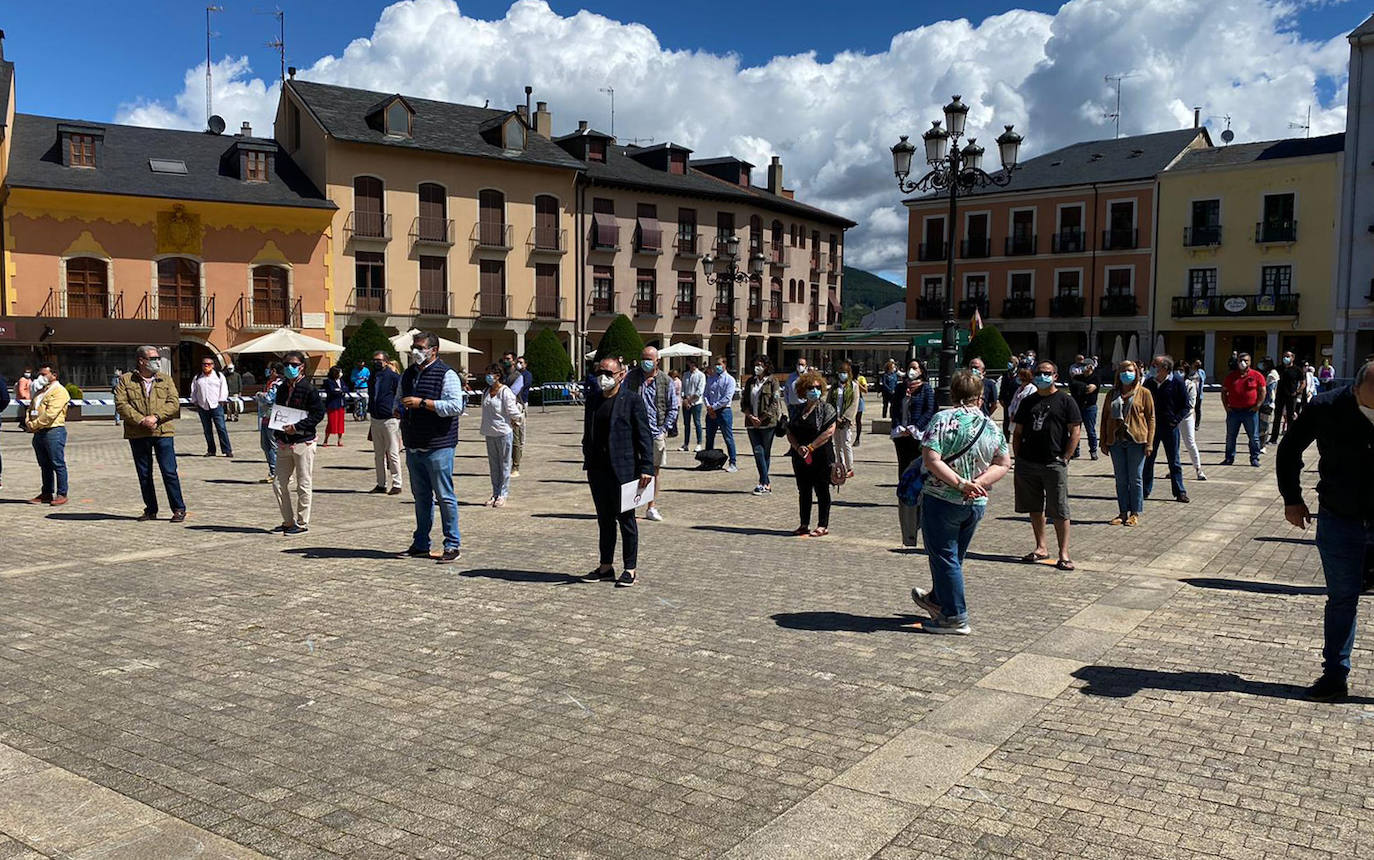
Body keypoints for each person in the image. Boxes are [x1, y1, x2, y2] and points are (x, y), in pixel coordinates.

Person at [1277, 357, 1374, 701]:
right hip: (1340, 517)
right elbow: (1289, 449)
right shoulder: (1327, 406)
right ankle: (1335, 675)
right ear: (1358, 386)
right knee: (1343, 598)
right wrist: (1292, 498)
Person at [908, 370, 1012, 635]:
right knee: (953, 557)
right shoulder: (991, 425)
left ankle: (955, 617)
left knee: (944, 557)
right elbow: (1003, 463)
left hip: (944, 499)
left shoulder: (943, 419)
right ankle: (938, 599)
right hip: (975, 503)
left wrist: (960, 483)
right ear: (980, 397)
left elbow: (932, 459)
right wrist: (980, 483)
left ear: (952, 394)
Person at [580, 357, 653, 587]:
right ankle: (605, 566)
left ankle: (630, 568)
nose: (603, 377)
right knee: (604, 520)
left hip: (624, 470)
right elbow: (588, 433)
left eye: (609, 373)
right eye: (600, 372)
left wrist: (646, 467)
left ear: (621, 375)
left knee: (627, 520)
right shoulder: (593, 400)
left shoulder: (632, 400)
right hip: (598, 470)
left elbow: (644, 436)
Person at [397, 332, 466, 564]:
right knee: (421, 497)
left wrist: (423, 404)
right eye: (413, 347)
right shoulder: (408, 374)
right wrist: (399, 408)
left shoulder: (447, 374)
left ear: (433, 350)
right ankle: (420, 543)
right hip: (414, 443)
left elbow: (455, 406)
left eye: (420, 347)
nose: (415, 351)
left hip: (438, 444)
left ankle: (452, 544)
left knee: (445, 496)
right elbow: (400, 397)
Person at [1012, 360, 1081, 570]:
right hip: (1029, 461)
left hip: (1054, 462)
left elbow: (1075, 430)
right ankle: (1041, 547)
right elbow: (1018, 432)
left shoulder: (1065, 401)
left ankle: (1064, 553)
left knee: (1059, 509)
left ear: (1055, 376)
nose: (1043, 376)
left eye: (1047, 373)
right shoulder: (1028, 401)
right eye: (1039, 373)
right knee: (1034, 507)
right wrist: (1019, 457)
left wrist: (1066, 457)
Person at [114, 346, 187, 522]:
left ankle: (178, 508)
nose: (157, 361)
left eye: (157, 358)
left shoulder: (165, 379)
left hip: (163, 431)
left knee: (169, 471)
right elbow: (121, 404)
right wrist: (141, 420)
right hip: (138, 432)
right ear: (142, 361)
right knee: (144, 473)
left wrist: (155, 417)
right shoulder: (125, 380)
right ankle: (151, 509)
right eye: (153, 358)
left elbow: (174, 403)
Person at [272, 350, 325, 535]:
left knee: (303, 483)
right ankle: (287, 520)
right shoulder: (282, 387)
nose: (289, 368)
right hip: (284, 441)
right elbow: (278, 410)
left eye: (293, 365)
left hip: (303, 441)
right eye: (286, 365)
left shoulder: (309, 388)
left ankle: (302, 523)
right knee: (278, 483)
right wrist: (277, 429)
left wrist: (298, 426)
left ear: (301, 367)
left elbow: (318, 414)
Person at [1099, 360, 1155, 527]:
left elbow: (1151, 419)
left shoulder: (1144, 393)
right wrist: (1103, 441)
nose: (1126, 373)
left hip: (1136, 441)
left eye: (1129, 370)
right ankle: (1122, 512)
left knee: (1136, 478)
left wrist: (1150, 443)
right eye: (1123, 370)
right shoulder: (1112, 394)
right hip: (1116, 441)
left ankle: (1135, 513)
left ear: (1136, 372)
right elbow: (1104, 418)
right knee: (1121, 479)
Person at [626, 346, 679, 521]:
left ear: (657, 361)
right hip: (634, 431)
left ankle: (651, 507)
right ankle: (630, 506)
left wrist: (664, 429)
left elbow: (673, 407)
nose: (646, 362)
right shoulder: (632, 377)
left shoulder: (665, 380)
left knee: (654, 471)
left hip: (656, 431)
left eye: (649, 359)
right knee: (633, 469)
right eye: (643, 358)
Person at [784, 370, 838, 537]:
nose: (813, 391)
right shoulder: (796, 410)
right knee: (804, 490)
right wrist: (798, 447)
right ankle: (804, 523)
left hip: (821, 455)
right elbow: (790, 431)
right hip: (800, 456)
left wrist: (811, 447)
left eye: (816, 387)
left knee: (822, 489)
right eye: (810, 388)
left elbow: (829, 431)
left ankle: (823, 525)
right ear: (803, 390)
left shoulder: (826, 409)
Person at [1142, 355, 1190, 504]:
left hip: (1170, 427)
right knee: (1148, 459)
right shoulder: (1149, 383)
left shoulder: (1177, 382)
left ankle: (1179, 491)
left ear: (1165, 368)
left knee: (1174, 460)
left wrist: (1175, 420)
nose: (1153, 367)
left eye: (1156, 365)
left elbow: (1186, 405)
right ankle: (1144, 490)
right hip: (1152, 428)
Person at [25, 361, 69, 506]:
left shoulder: (59, 391)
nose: (40, 377)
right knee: (45, 464)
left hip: (53, 431)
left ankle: (62, 493)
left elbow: (50, 414)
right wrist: (27, 421)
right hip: (39, 432)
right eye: (40, 374)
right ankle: (46, 493)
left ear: (54, 375)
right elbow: (31, 407)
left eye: (44, 374)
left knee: (57, 463)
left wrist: (34, 424)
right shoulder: (41, 390)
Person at [740, 355, 785, 495]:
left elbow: (774, 402)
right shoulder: (750, 382)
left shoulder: (773, 381)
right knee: (758, 451)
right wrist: (750, 416)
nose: (757, 367)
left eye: (760, 364)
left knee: (765, 453)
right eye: (755, 364)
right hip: (751, 422)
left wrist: (762, 417)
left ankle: (763, 483)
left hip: (767, 423)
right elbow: (744, 401)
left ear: (766, 366)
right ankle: (765, 482)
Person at [479, 362, 522, 508]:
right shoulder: (486, 391)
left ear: (497, 376)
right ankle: (495, 493)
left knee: (504, 464)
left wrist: (517, 420)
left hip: (503, 432)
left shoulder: (505, 392)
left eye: (490, 373)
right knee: (493, 466)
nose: (488, 377)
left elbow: (513, 411)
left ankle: (503, 494)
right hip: (489, 432)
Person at [890, 358, 937, 480]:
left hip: (918, 434)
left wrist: (915, 427)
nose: (911, 370)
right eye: (909, 368)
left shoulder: (926, 388)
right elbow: (894, 409)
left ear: (921, 371)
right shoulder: (901, 388)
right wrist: (898, 425)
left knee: (916, 466)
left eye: (915, 368)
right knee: (903, 465)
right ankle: (903, 495)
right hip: (901, 434)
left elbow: (930, 410)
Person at [1220, 352, 1265, 467]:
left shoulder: (1257, 375)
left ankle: (1254, 458)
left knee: (1254, 437)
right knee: (1231, 436)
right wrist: (1226, 406)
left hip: (1250, 411)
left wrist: (1258, 405)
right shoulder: (1231, 376)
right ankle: (1229, 458)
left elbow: (1262, 391)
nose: (1243, 363)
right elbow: (1224, 392)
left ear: (1250, 362)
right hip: (1233, 411)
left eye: (1246, 360)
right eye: (1240, 360)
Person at [367, 351, 403, 495]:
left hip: (389, 419)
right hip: (375, 418)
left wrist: (397, 410)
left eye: (379, 361)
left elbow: (400, 394)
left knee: (393, 452)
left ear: (386, 362)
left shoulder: (394, 377)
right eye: (374, 360)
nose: (376, 363)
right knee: (378, 454)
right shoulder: (373, 377)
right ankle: (381, 483)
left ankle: (397, 483)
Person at [190, 356, 233, 458]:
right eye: (204, 364)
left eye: (208, 364)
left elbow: (224, 389)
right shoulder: (197, 377)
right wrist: (194, 401)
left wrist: (221, 400)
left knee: (221, 428)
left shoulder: (219, 376)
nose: (206, 366)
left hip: (216, 405)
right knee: (207, 430)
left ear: (213, 366)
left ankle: (227, 450)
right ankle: (211, 450)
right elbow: (193, 390)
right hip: (202, 406)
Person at [704, 355, 739, 472]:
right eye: (716, 364)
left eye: (719, 364)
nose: (717, 366)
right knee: (709, 437)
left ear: (725, 365)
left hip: (724, 411)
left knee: (728, 438)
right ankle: (708, 461)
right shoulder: (711, 378)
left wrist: (713, 407)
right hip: (711, 411)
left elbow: (727, 398)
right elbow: (705, 394)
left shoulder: (730, 380)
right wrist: (709, 407)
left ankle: (733, 462)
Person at [828, 360, 859, 479]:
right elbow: (829, 401)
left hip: (846, 421)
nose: (842, 375)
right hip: (835, 419)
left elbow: (854, 404)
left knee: (846, 443)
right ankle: (840, 466)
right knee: (837, 444)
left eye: (844, 372)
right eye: (840, 372)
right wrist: (833, 417)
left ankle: (849, 467)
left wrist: (846, 418)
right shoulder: (835, 386)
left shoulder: (854, 386)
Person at [253, 362, 283, 484]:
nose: (267, 371)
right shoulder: (271, 383)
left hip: (273, 417)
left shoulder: (278, 384)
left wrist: (259, 395)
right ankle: (274, 471)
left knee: (272, 446)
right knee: (266, 445)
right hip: (266, 417)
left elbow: (269, 399)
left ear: (274, 371)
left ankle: (275, 472)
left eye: (269, 369)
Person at [1179, 362, 1207, 481]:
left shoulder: (1190, 385)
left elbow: (1191, 404)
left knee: (1190, 443)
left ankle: (1198, 469)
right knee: (1174, 445)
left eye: (1181, 370)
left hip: (1186, 417)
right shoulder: (1170, 384)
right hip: (1172, 418)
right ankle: (1174, 468)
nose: (1178, 373)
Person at [1067, 362, 1100, 460]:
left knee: (1090, 431)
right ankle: (1075, 451)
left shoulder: (1095, 377)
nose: (1082, 367)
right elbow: (1072, 387)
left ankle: (1093, 451)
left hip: (1090, 407)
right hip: (1077, 407)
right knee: (1075, 430)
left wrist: (1080, 388)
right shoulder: (1078, 377)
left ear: (1090, 367)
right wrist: (1083, 387)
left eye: (1085, 365)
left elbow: (1090, 389)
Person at [1270, 350, 1303, 443]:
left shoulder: (1297, 369)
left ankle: (1290, 438)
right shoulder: (1278, 369)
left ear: (1293, 357)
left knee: (1290, 417)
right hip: (1280, 396)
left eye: (1288, 356)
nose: (1286, 358)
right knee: (1277, 417)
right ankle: (1273, 438)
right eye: (1284, 356)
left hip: (1291, 396)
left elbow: (1303, 382)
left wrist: (1297, 391)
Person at [678, 358, 706, 452]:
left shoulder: (701, 375)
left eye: (692, 363)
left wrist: (689, 400)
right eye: (689, 363)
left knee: (697, 422)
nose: (690, 365)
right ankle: (686, 443)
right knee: (686, 424)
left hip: (696, 402)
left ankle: (699, 443)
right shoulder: (686, 374)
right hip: (686, 402)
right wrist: (684, 399)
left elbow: (699, 391)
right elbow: (683, 388)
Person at [321, 366, 346, 447]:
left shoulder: (341, 381)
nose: (341, 373)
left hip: (341, 404)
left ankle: (340, 440)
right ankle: (326, 439)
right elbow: (332, 391)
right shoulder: (329, 381)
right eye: (339, 372)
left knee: (340, 423)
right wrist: (339, 391)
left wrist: (340, 390)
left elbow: (346, 388)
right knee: (331, 423)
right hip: (332, 405)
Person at [1261, 358, 1280, 451]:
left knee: (1265, 425)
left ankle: (1263, 445)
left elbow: (1269, 390)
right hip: (1262, 403)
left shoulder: (1272, 375)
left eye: (1264, 364)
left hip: (1267, 403)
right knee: (1260, 425)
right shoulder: (1268, 373)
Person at [997, 359, 1019, 438]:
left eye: (1011, 362)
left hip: (1017, 399)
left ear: (1016, 364)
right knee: (1006, 419)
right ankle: (1006, 437)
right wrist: (1001, 398)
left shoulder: (1019, 373)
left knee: (1017, 419)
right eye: (1008, 362)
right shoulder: (1006, 374)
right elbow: (1002, 387)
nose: (1009, 364)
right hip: (1007, 400)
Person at [784, 356, 809, 422]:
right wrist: (788, 404)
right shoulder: (791, 376)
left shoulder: (809, 377)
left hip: (804, 406)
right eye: (799, 364)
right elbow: (786, 390)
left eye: (802, 364)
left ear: (806, 366)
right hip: (792, 407)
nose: (800, 366)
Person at [854, 370, 868, 447]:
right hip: (850, 400)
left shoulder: (861, 378)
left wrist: (858, 384)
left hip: (859, 400)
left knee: (858, 420)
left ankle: (857, 438)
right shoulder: (848, 379)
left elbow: (865, 390)